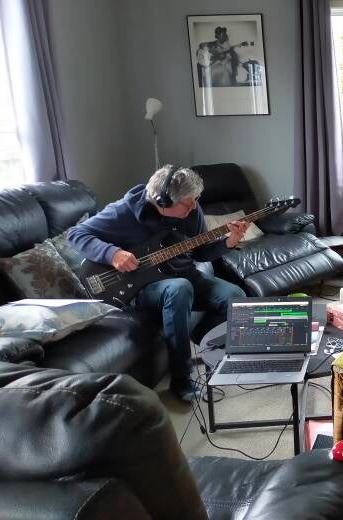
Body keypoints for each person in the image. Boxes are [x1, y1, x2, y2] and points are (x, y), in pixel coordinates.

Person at [69, 165, 249, 402]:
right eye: (188, 203)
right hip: (140, 286)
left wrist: (228, 241)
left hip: (183, 274)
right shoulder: (124, 212)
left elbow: (201, 252)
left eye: (196, 200)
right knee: (179, 288)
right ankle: (182, 378)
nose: (194, 207)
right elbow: (76, 234)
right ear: (162, 201)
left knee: (236, 298)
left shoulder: (192, 210)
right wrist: (112, 254)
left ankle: (201, 342)